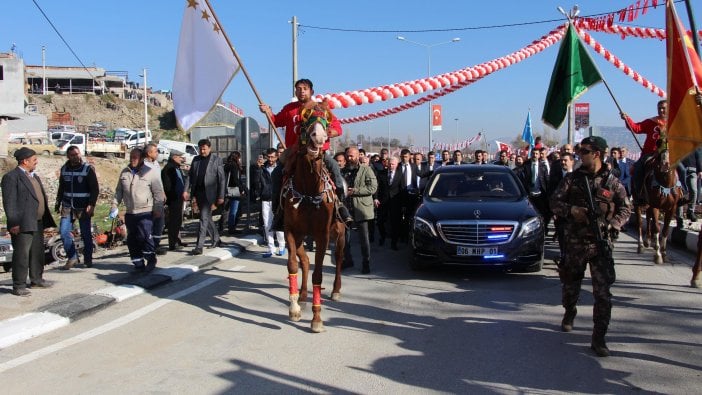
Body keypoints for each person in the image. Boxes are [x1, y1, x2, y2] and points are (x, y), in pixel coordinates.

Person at [550, 136, 631, 357]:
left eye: (584, 151)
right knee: (570, 287)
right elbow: (554, 202)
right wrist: (572, 211)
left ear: (596, 153)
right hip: (575, 242)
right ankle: (569, 311)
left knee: (603, 295)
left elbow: (626, 208)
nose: (579, 155)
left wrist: (614, 224)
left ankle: (598, 338)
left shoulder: (612, 182)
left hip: (600, 244)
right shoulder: (572, 179)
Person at [258, 78, 351, 223]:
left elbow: (338, 128)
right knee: (276, 173)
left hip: (318, 152)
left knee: (335, 169)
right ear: (295, 91)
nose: (301, 91)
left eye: (305, 88)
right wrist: (268, 112)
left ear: (311, 91)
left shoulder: (320, 108)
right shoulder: (289, 108)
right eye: (298, 88)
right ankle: (278, 210)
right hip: (293, 151)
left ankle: (341, 207)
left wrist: (327, 132)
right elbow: (276, 121)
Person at [1, 148, 56, 296]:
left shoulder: (34, 176)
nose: (36, 161)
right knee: (22, 254)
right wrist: (13, 223)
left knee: (37, 252)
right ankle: (18, 285)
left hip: (36, 221)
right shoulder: (11, 177)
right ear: (25, 161)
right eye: (34, 159)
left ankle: (37, 279)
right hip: (22, 223)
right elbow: (9, 203)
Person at [113, 148, 165, 273]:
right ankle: (138, 262)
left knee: (144, 236)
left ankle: (151, 259)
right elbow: (119, 191)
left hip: (145, 211)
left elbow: (158, 193)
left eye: (135, 157)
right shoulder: (125, 172)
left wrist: (158, 208)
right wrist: (114, 205)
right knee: (132, 239)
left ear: (141, 158)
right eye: (131, 157)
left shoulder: (150, 172)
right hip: (130, 212)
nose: (132, 160)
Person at [55, 145, 99, 270]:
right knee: (64, 232)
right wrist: (58, 203)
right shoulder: (64, 169)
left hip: (84, 207)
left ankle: (88, 259)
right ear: (68, 156)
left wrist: (92, 204)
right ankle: (72, 257)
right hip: (68, 206)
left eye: (77, 154)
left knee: (85, 234)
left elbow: (95, 189)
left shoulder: (87, 169)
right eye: (72, 155)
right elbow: (61, 188)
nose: (76, 157)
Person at [185, 139, 225, 255]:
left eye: (204, 149)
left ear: (209, 148)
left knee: (203, 219)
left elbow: (221, 179)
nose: (202, 151)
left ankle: (199, 246)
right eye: (200, 149)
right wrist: (186, 190)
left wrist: (221, 196)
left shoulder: (217, 160)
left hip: (210, 195)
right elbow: (190, 176)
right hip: (198, 193)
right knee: (207, 218)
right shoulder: (196, 160)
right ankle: (216, 239)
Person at [621, 100, 666, 203]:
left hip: (669, 154)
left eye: (663, 108)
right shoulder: (651, 122)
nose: (661, 110)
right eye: (659, 108)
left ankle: (682, 195)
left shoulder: (674, 122)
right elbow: (637, 128)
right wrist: (627, 118)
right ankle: (639, 195)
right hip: (650, 154)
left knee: (683, 170)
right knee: (637, 170)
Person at [342, 147, 378, 274]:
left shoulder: (366, 170)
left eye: (351, 156)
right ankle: (347, 260)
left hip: (361, 208)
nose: (349, 158)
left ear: (358, 156)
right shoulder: (343, 171)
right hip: (346, 209)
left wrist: (355, 191)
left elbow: (372, 188)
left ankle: (366, 262)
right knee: (344, 239)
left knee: (364, 238)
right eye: (347, 156)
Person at [257, 148, 284, 258]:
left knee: (278, 223)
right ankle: (270, 247)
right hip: (266, 198)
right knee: (267, 224)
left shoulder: (280, 168)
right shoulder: (262, 168)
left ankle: (281, 246)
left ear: (277, 157)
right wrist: (257, 168)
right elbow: (256, 182)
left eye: (273, 157)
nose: (271, 159)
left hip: (277, 199)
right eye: (269, 157)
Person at [161, 149, 188, 251]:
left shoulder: (176, 168)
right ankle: (173, 243)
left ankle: (177, 240)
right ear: (174, 157)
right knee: (174, 222)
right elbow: (168, 186)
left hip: (179, 198)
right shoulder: (169, 169)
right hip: (174, 199)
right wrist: (174, 196)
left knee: (178, 221)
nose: (182, 159)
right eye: (180, 157)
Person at [143, 143, 166, 254]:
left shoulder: (156, 164)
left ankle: (156, 244)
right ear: (149, 153)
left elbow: (159, 181)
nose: (157, 153)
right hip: (149, 198)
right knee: (151, 222)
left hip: (159, 197)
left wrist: (163, 193)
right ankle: (149, 246)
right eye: (155, 151)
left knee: (160, 221)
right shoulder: (144, 165)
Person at [222, 151, 246, 234]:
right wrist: (242, 189)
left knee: (226, 209)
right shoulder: (234, 166)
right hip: (234, 189)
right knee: (234, 209)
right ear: (237, 157)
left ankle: (222, 225)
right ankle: (231, 228)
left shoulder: (227, 165)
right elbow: (236, 179)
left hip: (226, 189)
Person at [677, 148, 701, 225]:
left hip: (692, 171)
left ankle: (690, 211)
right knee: (680, 195)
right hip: (680, 172)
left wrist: (700, 170)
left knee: (694, 191)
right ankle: (679, 218)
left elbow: (698, 158)